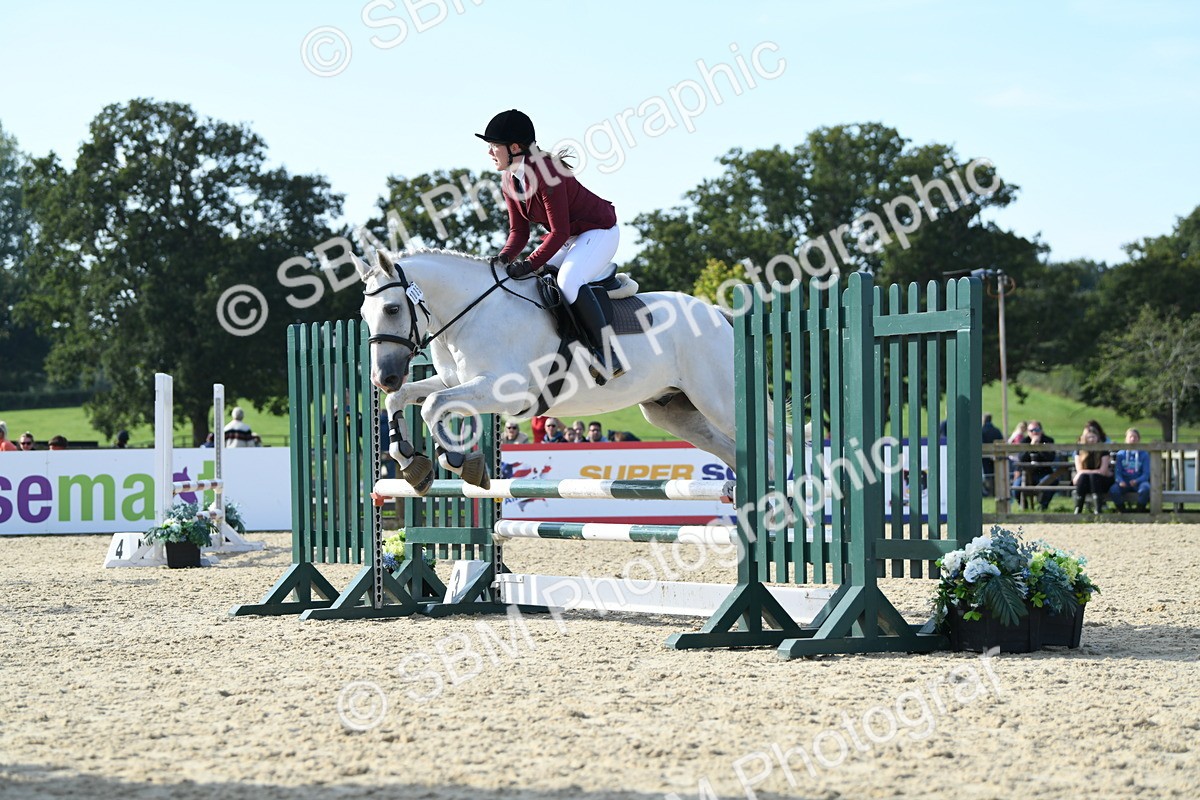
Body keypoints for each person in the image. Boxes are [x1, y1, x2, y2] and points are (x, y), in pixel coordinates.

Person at [478, 109, 625, 381]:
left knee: (568, 281)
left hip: (599, 231)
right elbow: (518, 231)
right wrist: (503, 259)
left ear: (514, 147)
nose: (489, 152)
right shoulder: (509, 179)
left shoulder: (546, 172)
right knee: (534, 281)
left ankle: (608, 353)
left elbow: (559, 231)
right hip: (571, 238)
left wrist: (530, 262)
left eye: (494, 145)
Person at [1021, 421, 1062, 511]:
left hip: (1043, 471)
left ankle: (1043, 506)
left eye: (1037, 429)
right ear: (1028, 432)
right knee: (1016, 487)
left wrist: (1039, 448)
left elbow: (1050, 458)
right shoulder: (1024, 441)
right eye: (1031, 430)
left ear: (1041, 430)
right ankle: (1025, 508)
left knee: (1052, 481)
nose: (1034, 432)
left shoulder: (1048, 440)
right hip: (1027, 474)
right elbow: (1021, 458)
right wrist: (1031, 446)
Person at [1073, 427, 1114, 514]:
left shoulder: (1103, 451)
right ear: (1085, 438)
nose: (1091, 439)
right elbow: (1079, 470)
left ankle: (1098, 509)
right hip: (1085, 481)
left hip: (1100, 481)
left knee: (1093, 477)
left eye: (1093, 437)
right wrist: (1084, 473)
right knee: (1084, 477)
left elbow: (1103, 471)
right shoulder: (1080, 451)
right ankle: (1078, 509)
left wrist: (1085, 473)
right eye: (1089, 437)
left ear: (1097, 438)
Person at [1110, 428, 1151, 512]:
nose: (1133, 439)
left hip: (1139, 482)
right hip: (1124, 482)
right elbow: (1118, 472)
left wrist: (1137, 480)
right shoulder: (1120, 454)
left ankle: (1139, 511)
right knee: (1113, 490)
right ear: (1126, 439)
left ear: (1139, 440)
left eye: (1135, 437)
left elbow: (1146, 473)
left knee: (1145, 488)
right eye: (1130, 437)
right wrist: (1120, 481)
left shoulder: (1144, 454)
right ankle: (1123, 511)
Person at [981, 413, 1005, 496]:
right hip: (996, 455)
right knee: (996, 473)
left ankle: (990, 492)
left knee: (988, 474)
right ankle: (996, 491)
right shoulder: (996, 430)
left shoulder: (982, 430)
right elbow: (1001, 441)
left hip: (985, 456)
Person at [1007, 421, 1028, 502]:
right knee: (1015, 478)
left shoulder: (1015, 434)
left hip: (1012, 458)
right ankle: (1012, 496)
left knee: (1013, 478)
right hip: (1015, 459)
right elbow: (1019, 447)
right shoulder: (1019, 435)